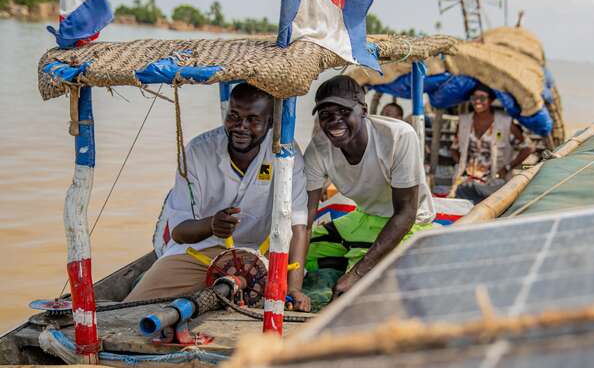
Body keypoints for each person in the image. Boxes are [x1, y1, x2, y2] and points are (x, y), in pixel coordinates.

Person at [125, 83, 311, 311]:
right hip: (202, 251)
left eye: (253, 119)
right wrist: (212, 225)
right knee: (128, 310)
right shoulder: (198, 151)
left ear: (271, 123)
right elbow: (179, 232)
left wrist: (293, 288)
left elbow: (298, 227)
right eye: (234, 116)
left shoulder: (286, 153)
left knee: (279, 315)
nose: (241, 127)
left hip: (260, 259)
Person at [302, 75, 435, 306]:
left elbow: (405, 213)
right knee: (313, 246)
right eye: (326, 115)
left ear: (363, 110)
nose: (334, 122)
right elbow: (304, 218)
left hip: (410, 224)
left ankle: (348, 274)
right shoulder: (318, 148)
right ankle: (333, 281)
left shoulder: (398, 137)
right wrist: (288, 276)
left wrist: (356, 274)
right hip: (364, 218)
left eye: (343, 112)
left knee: (364, 284)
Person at [450, 84, 533, 204]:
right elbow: (454, 148)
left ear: (491, 100)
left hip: (493, 183)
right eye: (474, 98)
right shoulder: (464, 121)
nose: (477, 101)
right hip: (466, 181)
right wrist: (460, 164)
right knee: (460, 211)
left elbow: (528, 148)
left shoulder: (505, 122)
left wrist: (507, 168)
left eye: (482, 98)